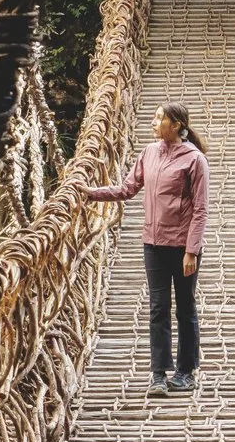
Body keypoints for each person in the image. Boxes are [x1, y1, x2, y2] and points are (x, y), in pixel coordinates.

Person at [83, 103, 211, 392]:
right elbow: (127, 189)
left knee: (185, 307)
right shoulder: (149, 153)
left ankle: (186, 372)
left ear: (176, 124)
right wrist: (92, 193)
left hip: (182, 246)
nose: (154, 123)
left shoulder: (194, 160)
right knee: (158, 308)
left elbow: (201, 210)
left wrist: (192, 250)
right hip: (152, 243)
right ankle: (158, 375)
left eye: (159, 118)